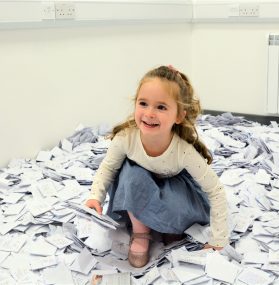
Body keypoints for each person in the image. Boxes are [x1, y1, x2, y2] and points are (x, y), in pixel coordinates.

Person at [86, 65, 229, 268]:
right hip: (139, 187)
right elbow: (107, 169)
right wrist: (95, 196)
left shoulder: (183, 151)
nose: (150, 113)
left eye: (161, 107)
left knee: (178, 219)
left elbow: (215, 190)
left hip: (172, 188)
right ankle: (141, 232)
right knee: (130, 173)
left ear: (179, 116)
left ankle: (169, 225)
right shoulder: (126, 139)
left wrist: (218, 240)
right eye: (143, 103)